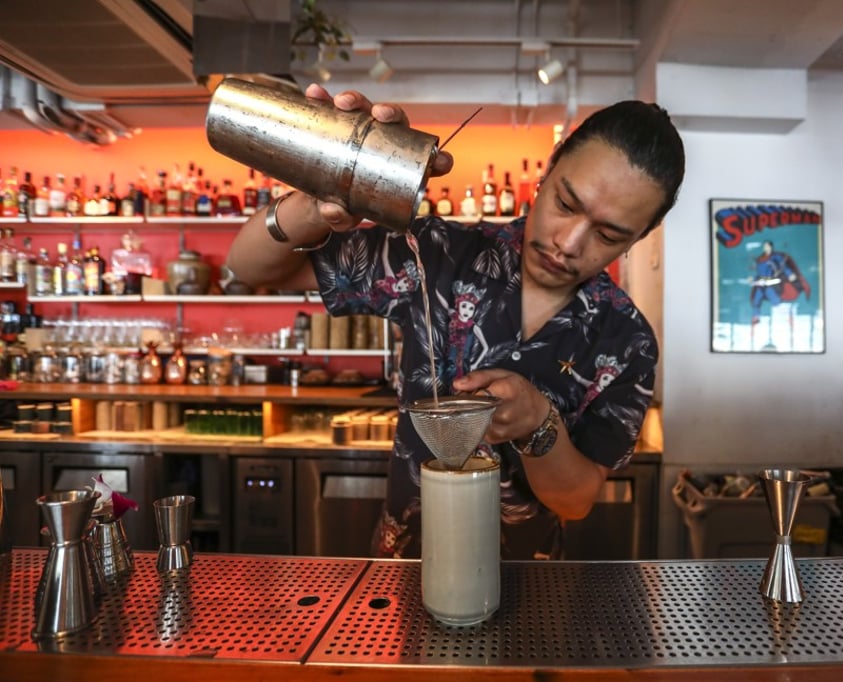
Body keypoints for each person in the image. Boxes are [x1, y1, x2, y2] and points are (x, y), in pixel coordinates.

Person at [226, 85, 686, 559]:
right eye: (566, 205)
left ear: (640, 237)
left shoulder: (627, 340)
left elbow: (574, 501)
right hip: (404, 567)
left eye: (608, 234)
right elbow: (249, 267)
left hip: (527, 580)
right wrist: (323, 194)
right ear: (548, 171)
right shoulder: (437, 253)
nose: (569, 243)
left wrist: (538, 423)